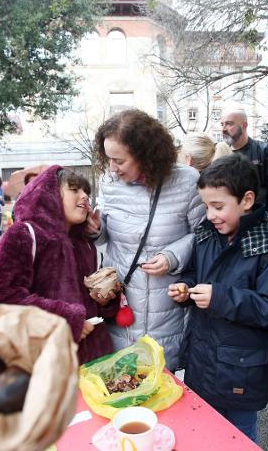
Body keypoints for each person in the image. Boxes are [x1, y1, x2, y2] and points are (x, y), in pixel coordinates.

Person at [169, 154, 268, 442]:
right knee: (206, 431)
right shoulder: (206, 235)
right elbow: (196, 273)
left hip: (242, 368)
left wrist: (219, 297)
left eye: (218, 206)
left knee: (238, 436)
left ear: (246, 200)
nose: (210, 215)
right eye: (207, 206)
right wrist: (185, 288)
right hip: (203, 360)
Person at [86, 109, 206, 371]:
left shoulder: (186, 181)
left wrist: (173, 256)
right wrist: (96, 229)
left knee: (161, 385)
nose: (112, 168)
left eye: (119, 160)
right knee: (122, 382)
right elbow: (106, 235)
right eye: (109, 160)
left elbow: (205, 235)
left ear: (146, 155)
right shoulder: (109, 181)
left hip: (165, 305)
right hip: (121, 301)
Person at [0, 166, 119, 364]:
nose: (84, 196)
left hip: (93, 367)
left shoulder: (86, 245)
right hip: (45, 366)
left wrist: (105, 300)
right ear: (50, 193)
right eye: (74, 189)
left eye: (86, 192)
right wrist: (65, 321)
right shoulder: (23, 235)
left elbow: (93, 308)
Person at [220, 107, 268, 211]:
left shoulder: (265, 151)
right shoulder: (220, 154)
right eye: (222, 124)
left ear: (244, 125)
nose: (223, 129)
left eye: (229, 123)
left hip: (259, 219)